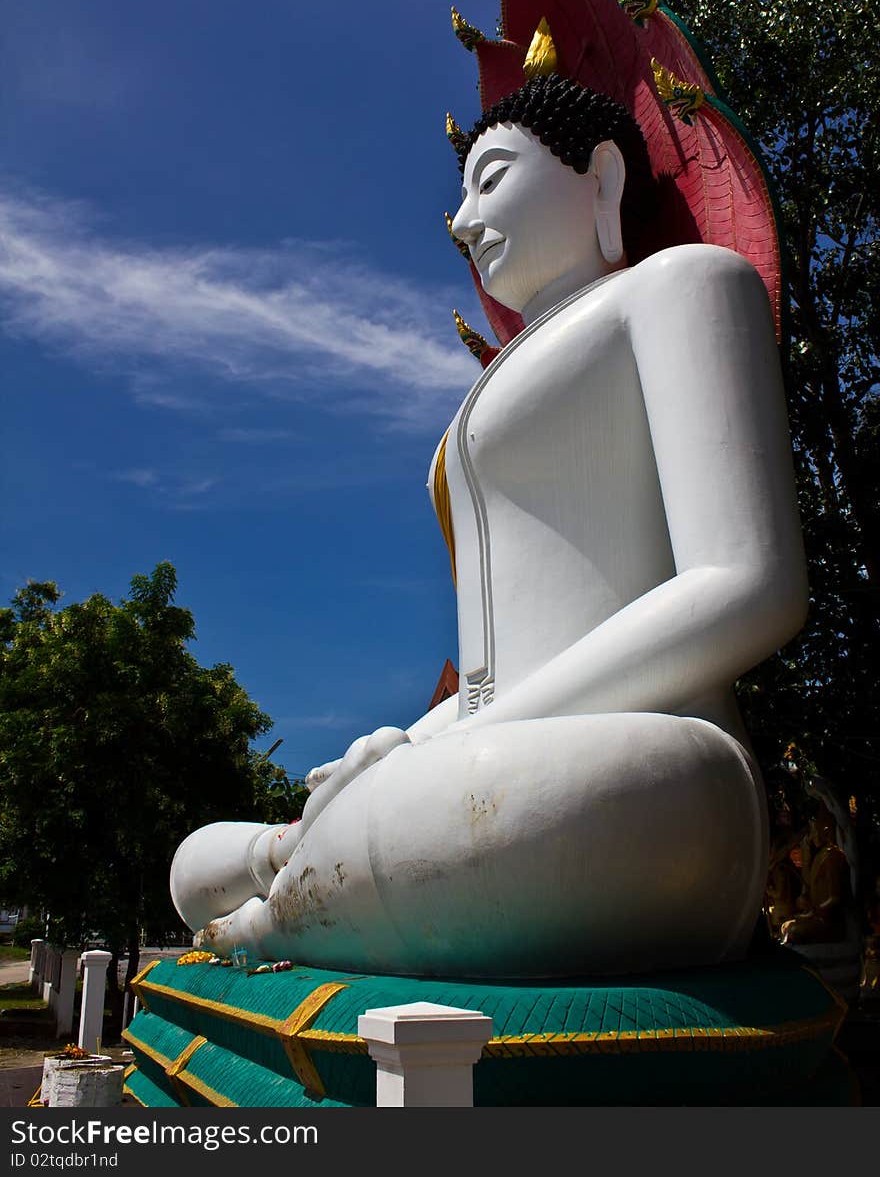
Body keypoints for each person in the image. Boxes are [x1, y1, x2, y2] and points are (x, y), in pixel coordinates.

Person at [170, 74, 809, 978]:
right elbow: (481, 686)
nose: (463, 222)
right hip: (477, 759)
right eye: (461, 196)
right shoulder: (486, 387)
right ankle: (304, 868)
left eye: (492, 178)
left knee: (595, 796)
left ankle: (288, 916)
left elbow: (750, 584)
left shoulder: (680, 286)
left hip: (632, 762)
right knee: (195, 861)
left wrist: (479, 738)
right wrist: (416, 745)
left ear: (603, 179)